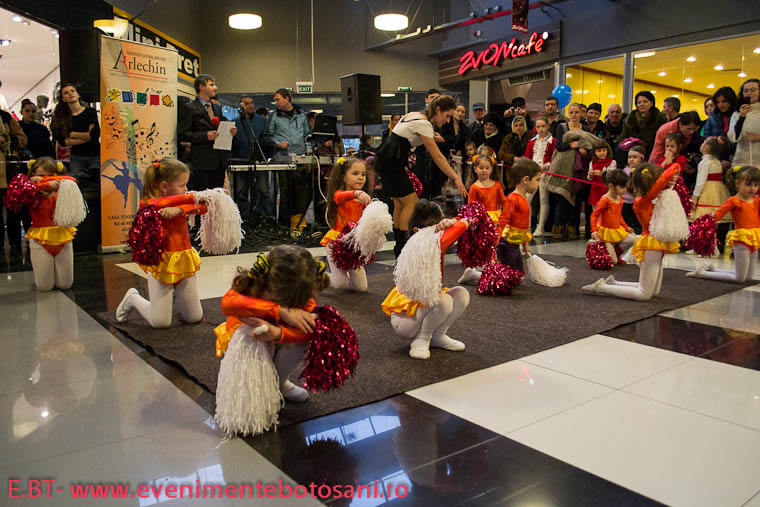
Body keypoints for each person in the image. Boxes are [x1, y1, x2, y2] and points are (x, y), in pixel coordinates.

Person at [215, 246, 329, 402]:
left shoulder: (299, 291)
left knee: (301, 339)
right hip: (247, 341)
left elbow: (311, 330)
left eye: (290, 304)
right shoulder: (252, 281)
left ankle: (277, 383)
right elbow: (228, 304)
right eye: (276, 300)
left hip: (275, 337)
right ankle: (253, 387)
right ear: (265, 281)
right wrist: (279, 310)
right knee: (250, 337)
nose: (286, 305)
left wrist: (278, 333)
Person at [116, 158, 207, 329]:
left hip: (184, 260)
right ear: (165, 186)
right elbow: (150, 211)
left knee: (194, 317)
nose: (186, 189)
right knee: (160, 323)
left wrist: (180, 209)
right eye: (182, 185)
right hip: (161, 262)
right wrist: (177, 206)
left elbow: (204, 205)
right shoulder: (148, 205)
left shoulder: (181, 201)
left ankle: (180, 302)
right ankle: (133, 298)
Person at [374, 95, 467, 257]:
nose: (447, 121)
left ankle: (400, 249)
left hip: (386, 159)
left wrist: (431, 136)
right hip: (391, 162)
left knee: (399, 203)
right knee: (410, 202)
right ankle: (403, 248)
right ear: (438, 110)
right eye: (447, 116)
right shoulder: (424, 124)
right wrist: (456, 177)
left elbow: (407, 135)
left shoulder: (415, 115)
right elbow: (437, 157)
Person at [381, 200, 471, 359]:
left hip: (426, 306)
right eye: (435, 228)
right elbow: (458, 229)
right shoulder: (423, 242)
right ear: (417, 230)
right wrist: (463, 221)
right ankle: (422, 339)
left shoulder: (435, 239)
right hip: (405, 321)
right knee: (443, 301)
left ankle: (438, 335)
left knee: (461, 294)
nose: (441, 232)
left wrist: (453, 220)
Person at [583, 163, 680, 300]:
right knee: (644, 295)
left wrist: (670, 180)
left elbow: (667, 181)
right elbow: (674, 167)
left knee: (654, 292)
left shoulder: (654, 198)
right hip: (650, 246)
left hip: (658, 245)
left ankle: (614, 283)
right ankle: (602, 287)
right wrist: (670, 174)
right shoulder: (642, 201)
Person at [687, 166, 760, 282]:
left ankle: (713, 270)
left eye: (755, 185)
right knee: (739, 279)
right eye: (748, 185)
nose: (752, 188)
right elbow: (718, 214)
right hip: (742, 240)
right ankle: (702, 273)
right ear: (738, 183)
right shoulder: (734, 201)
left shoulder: (756, 200)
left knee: (748, 277)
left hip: (755, 239)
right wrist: (712, 215)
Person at [23, 157, 78, 290]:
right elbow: (19, 188)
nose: (46, 178)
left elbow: (73, 180)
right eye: (41, 175)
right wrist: (44, 184)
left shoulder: (64, 187)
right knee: (44, 287)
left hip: (63, 238)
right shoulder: (30, 190)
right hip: (40, 240)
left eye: (50, 175)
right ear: (33, 175)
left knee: (65, 285)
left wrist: (46, 181)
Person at [178, 74, 236, 192]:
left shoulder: (217, 108)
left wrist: (230, 131)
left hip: (219, 162)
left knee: (218, 196)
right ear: (201, 87)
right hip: (202, 162)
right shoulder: (190, 108)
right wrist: (205, 136)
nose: (215, 88)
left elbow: (220, 128)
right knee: (203, 197)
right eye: (212, 85)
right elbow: (183, 134)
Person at [321, 157, 372, 292]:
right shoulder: (340, 195)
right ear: (344, 177)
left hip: (353, 245)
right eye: (355, 174)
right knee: (340, 284)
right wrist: (356, 193)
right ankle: (318, 276)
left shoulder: (363, 199)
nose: (360, 178)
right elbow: (339, 197)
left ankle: (344, 277)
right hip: (336, 243)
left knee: (361, 288)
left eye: (363, 174)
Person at [266, 88, 312, 231]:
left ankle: (298, 223)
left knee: (301, 191)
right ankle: (284, 225)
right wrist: (278, 144)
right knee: (285, 192)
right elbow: (268, 136)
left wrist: (308, 147)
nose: (276, 102)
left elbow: (308, 135)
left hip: (300, 158)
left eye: (278, 99)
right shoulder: (274, 116)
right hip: (283, 158)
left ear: (287, 99)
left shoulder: (301, 115)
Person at [458, 152, 506, 284]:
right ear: (475, 169)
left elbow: (504, 202)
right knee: (485, 247)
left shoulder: (497, 185)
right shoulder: (474, 187)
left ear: (492, 169)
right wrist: (473, 222)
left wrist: (508, 215)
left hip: (495, 220)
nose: (484, 170)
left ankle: (488, 271)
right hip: (482, 222)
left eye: (487, 168)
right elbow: (471, 207)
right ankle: (484, 271)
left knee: (494, 245)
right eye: (481, 168)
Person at [50, 84, 100, 193]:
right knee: (75, 187)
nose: (70, 93)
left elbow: (94, 135)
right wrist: (86, 136)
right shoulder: (62, 118)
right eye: (66, 93)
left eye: (72, 91)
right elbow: (64, 141)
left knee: (99, 185)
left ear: (77, 94)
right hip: (77, 157)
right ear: (63, 98)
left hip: (95, 155)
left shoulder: (90, 112)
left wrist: (71, 134)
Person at [553, 103, 591, 240]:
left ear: (581, 113)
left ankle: (573, 227)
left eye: (577, 112)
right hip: (565, 165)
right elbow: (559, 146)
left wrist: (584, 149)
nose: (574, 115)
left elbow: (590, 145)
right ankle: (558, 226)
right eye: (572, 112)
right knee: (563, 196)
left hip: (580, 166)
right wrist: (572, 145)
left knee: (577, 197)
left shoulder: (585, 128)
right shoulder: (562, 127)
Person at [231, 95, 271, 220]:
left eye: (251, 103)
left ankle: (260, 215)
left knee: (263, 190)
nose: (250, 105)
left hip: (259, 161)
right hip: (241, 160)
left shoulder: (262, 121)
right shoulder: (234, 123)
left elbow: (266, 138)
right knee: (240, 191)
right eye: (246, 103)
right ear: (240, 107)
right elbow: (232, 143)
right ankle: (244, 216)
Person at [496, 158, 540, 272]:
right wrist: (495, 243)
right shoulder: (512, 199)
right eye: (537, 180)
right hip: (507, 245)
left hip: (515, 245)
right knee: (509, 275)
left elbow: (523, 226)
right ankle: (477, 275)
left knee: (519, 274)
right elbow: (502, 220)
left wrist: (525, 244)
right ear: (526, 180)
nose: (538, 184)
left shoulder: (523, 198)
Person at [691, 136, 731, 253]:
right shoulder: (717, 162)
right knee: (711, 222)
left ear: (706, 147)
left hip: (707, 191)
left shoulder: (704, 163)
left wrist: (695, 197)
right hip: (718, 191)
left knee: (702, 220)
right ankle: (709, 246)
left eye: (704, 143)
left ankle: (705, 247)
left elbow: (700, 182)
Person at [590, 169, 636, 264]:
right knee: (613, 261)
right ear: (611, 186)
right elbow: (594, 215)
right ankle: (604, 249)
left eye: (625, 187)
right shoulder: (605, 200)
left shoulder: (619, 199)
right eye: (622, 187)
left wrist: (626, 227)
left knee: (632, 239)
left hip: (616, 230)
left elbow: (618, 216)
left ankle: (615, 253)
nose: (625, 190)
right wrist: (594, 230)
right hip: (605, 234)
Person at [0, 107, 29, 254]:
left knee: (13, 208)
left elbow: (22, 139)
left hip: (9, 167)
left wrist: (7, 139)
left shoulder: (6, 118)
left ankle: (16, 243)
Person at [526, 115, 555, 237]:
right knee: (527, 199)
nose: (540, 129)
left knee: (543, 199)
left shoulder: (553, 141)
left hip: (545, 174)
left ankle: (540, 227)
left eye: (543, 126)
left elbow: (555, 158)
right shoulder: (532, 141)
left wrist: (546, 165)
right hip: (532, 174)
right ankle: (527, 226)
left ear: (548, 126)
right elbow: (527, 157)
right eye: (538, 127)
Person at [620, 91, 667, 159]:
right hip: (632, 154)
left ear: (651, 103)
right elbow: (623, 138)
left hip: (653, 154)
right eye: (639, 102)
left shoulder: (660, 120)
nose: (641, 104)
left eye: (645, 102)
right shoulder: (629, 120)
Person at [728, 78, 760, 168]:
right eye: (746, 91)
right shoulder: (736, 114)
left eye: (753, 90)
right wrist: (742, 116)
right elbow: (733, 137)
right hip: (742, 160)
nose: (749, 93)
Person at [498, 115, 530, 181]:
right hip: (511, 171)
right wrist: (513, 158)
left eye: (521, 125)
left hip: (527, 168)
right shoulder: (508, 138)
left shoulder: (530, 136)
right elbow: (500, 154)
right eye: (516, 125)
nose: (518, 128)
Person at [622, 145, 645, 233]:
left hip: (637, 201)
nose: (631, 159)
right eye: (629, 157)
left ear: (641, 159)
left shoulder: (643, 170)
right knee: (625, 220)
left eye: (635, 157)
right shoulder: (625, 170)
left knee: (638, 221)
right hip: (625, 201)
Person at [588, 138, 616, 207]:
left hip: (607, 190)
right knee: (596, 210)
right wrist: (590, 174)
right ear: (594, 152)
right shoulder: (592, 162)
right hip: (595, 191)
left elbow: (612, 177)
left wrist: (601, 174)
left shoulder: (612, 162)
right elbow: (589, 179)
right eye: (599, 151)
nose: (602, 153)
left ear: (607, 150)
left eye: (604, 150)